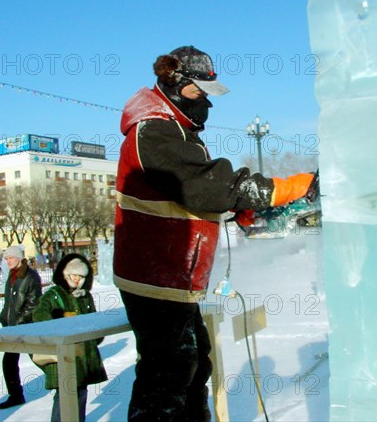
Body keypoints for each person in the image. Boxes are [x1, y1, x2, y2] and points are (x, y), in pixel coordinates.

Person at [114, 45, 314, 421]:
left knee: (193, 364)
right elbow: (204, 184)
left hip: (176, 275)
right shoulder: (154, 130)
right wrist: (289, 188)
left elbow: (190, 196)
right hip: (153, 275)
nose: (204, 101)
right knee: (168, 373)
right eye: (197, 92)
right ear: (172, 84)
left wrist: (240, 208)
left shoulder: (174, 129)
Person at [32, 253, 108, 422]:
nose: (76, 280)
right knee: (64, 397)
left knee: (81, 394)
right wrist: (61, 319)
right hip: (62, 354)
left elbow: (94, 321)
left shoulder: (85, 297)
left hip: (84, 356)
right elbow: (39, 317)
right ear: (65, 274)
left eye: (81, 277)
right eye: (74, 275)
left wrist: (95, 335)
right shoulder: (53, 295)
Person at [0, 245, 42, 409]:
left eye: (10, 258)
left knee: (40, 358)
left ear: (19, 258)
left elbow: (33, 305)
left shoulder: (31, 276)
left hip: (27, 327)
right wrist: (4, 316)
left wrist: (20, 322)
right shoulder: (13, 276)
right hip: (13, 328)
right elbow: (9, 302)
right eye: (6, 258)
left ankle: (62, 381)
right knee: (8, 362)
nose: (8, 261)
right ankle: (16, 395)